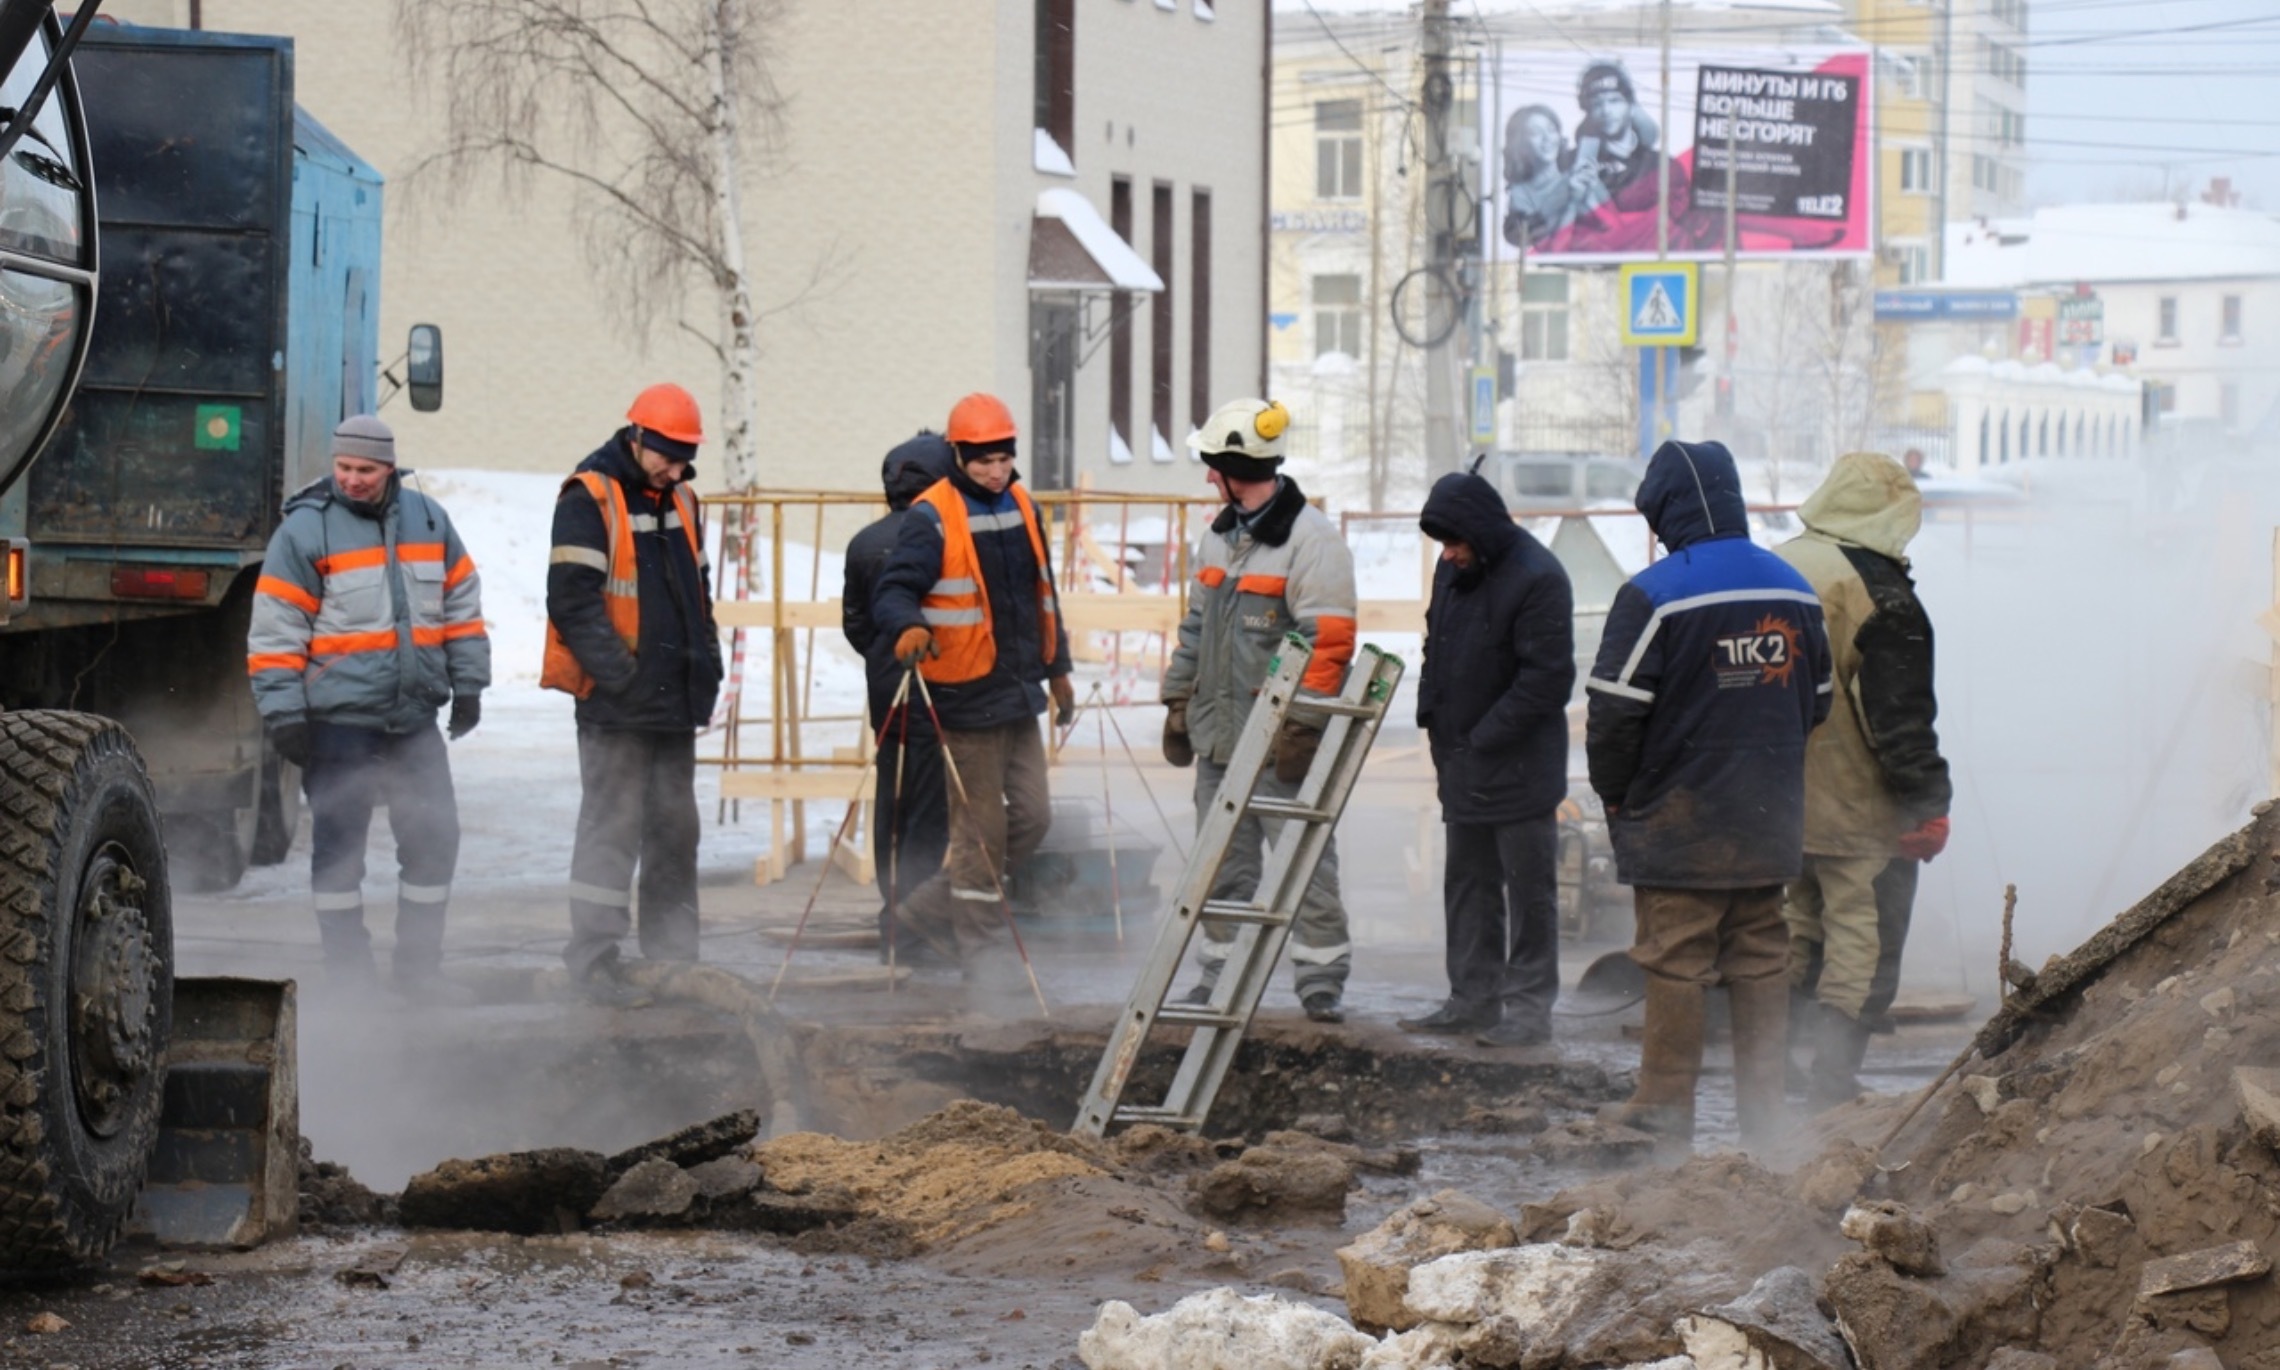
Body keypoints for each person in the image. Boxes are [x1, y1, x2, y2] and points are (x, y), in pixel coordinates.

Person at [1585, 439, 1830, 1150]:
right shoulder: (1792, 588)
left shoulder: (1655, 594)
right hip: (1769, 815)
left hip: (1680, 818)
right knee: (1760, 955)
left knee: (1676, 956)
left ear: (1667, 514)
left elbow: (1614, 712)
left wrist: (1617, 794)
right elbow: (1819, 703)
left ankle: (1663, 1107)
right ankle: (1767, 1117)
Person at [247, 415, 489, 1003]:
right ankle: (352, 983)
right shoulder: (306, 532)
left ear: (389, 468)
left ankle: (418, 972)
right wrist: (283, 715)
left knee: (435, 839)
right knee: (338, 856)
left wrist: (470, 684)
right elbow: (277, 630)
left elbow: (460, 605)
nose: (352, 479)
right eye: (344, 467)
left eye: (366, 469)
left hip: (412, 722)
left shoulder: (429, 520)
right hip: (339, 726)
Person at [1162, 398, 1359, 1024]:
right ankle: (1219, 975)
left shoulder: (1312, 542)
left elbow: (1327, 643)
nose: (1206, 478)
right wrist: (1177, 698)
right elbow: (1196, 628)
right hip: (1220, 738)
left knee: (1303, 862)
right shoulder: (1219, 538)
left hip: (1279, 740)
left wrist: (1301, 725)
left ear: (1231, 467)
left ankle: (1320, 978)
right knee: (1220, 862)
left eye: (1211, 466)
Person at [870, 393, 1075, 985]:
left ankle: (928, 909)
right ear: (958, 454)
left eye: (1003, 458)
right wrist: (908, 625)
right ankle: (980, 947)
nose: (994, 470)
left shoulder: (1022, 505)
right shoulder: (931, 515)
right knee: (980, 832)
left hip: (1018, 693)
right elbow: (893, 591)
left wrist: (1057, 670)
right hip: (963, 698)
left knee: (1033, 818)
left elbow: (1044, 593)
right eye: (982, 459)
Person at [1774, 453, 1952, 1109]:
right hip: (1859, 810)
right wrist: (1928, 803)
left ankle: (1772, 1069)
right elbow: (1898, 718)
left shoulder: (1776, 565)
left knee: (1797, 924)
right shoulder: (1881, 596)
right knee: (1862, 938)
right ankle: (1832, 1080)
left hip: (1777, 801)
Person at [544, 382, 725, 1007]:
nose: (674, 469)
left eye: (684, 459)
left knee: (676, 829)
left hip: (673, 701)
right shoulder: (589, 496)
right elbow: (571, 600)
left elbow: (698, 595)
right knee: (611, 828)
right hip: (618, 705)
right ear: (638, 437)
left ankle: (674, 961)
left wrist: (710, 664)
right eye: (666, 456)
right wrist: (619, 676)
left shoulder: (684, 499)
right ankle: (594, 960)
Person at [1405, 468, 1576, 1047]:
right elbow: (1438, 645)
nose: (1448, 555)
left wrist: (1482, 739)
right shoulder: (1453, 571)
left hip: (1519, 767)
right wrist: (1432, 715)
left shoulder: (1538, 578)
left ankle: (1528, 1010)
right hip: (1461, 760)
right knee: (1468, 885)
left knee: (1529, 893)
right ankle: (1472, 999)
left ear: (1480, 531)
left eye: (1455, 542)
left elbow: (1547, 681)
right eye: (1443, 544)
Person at [843, 430, 957, 959]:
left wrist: (884, 659)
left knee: (892, 801)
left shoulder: (863, 543)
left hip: (887, 694)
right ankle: (916, 920)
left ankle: (893, 909)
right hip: (939, 691)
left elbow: (857, 625)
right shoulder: (942, 535)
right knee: (930, 810)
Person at [1501, 104, 1605, 248]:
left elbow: (1612, 227)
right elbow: (1545, 244)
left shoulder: (1581, 176)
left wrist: (1593, 191)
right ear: (1520, 142)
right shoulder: (1520, 193)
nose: (1547, 139)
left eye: (1551, 130)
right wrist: (1572, 200)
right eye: (1535, 133)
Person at [1572, 61, 1660, 205]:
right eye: (1597, 104)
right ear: (1587, 111)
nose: (1606, 111)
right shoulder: (1573, 166)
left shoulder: (1660, 165)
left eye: (1614, 101)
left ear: (1631, 105)